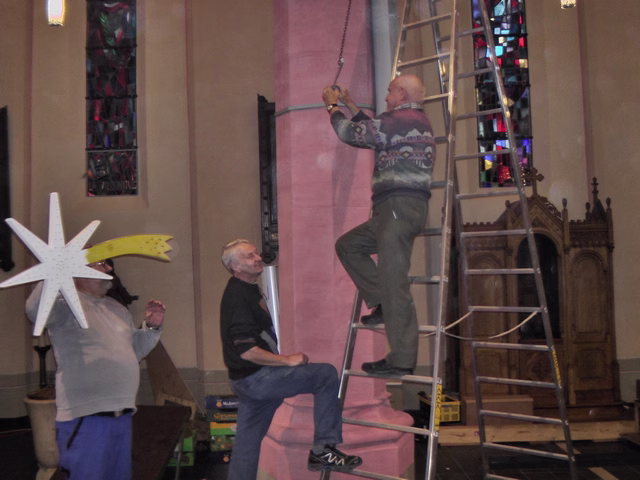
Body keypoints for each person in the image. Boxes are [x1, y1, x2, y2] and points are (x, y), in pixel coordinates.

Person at [322, 74, 436, 377]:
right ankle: (382, 303)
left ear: (402, 94)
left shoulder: (398, 120)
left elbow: (351, 134)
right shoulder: (409, 121)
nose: (386, 97)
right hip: (394, 210)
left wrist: (332, 107)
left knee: (394, 281)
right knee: (349, 246)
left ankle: (401, 360)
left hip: (398, 208)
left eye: (389, 92)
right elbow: (375, 133)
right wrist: (350, 104)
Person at [219, 239, 362, 479]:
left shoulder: (245, 288)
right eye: (249, 256)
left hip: (244, 380)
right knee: (325, 374)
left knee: (246, 444)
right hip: (255, 379)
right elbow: (247, 351)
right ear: (235, 266)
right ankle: (324, 450)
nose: (258, 258)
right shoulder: (238, 297)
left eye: (256, 253)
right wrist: (287, 360)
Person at [25, 259, 165, 480]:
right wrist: (57, 266)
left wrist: (151, 328)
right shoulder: (65, 302)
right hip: (86, 418)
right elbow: (35, 310)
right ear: (79, 269)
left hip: (122, 415)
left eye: (108, 264)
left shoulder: (117, 308)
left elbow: (134, 352)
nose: (109, 268)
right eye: (101, 263)